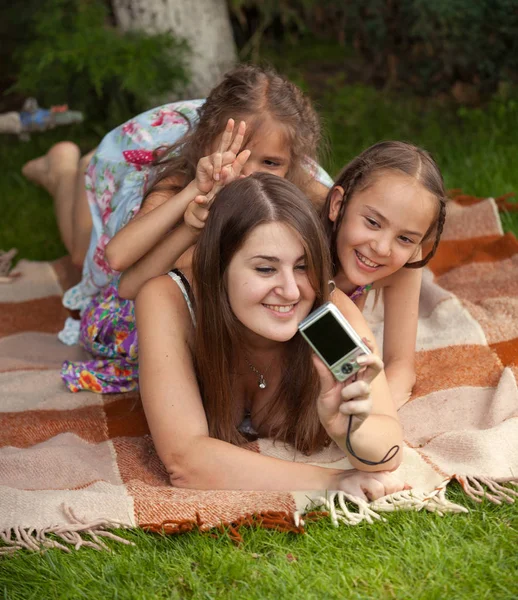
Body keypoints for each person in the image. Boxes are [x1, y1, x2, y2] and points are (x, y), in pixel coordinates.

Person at [21, 65, 333, 393]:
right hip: (133, 218)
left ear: (292, 164)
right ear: (203, 144)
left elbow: (357, 209)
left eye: (269, 163)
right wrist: (191, 198)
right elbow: (118, 259)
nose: (246, 173)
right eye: (233, 154)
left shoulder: (297, 186)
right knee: (79, 253)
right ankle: (64, 168)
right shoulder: (178, 185)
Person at [135, 172, 404, 495]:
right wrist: (332, 482)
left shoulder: (330, 312)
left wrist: (350, 431)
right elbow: (186, 461)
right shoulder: (167, 300)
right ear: (218, 268)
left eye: (302, 266)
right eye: (266, 268)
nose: (291, 291)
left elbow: (389, 450)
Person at [321, 141, 448, 409]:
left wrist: (377, 413)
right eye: (373, 223)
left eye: (404, 238)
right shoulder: (298, 247)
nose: (381, 248)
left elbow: (401, 365)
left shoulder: (404, 264)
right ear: (338, 204)